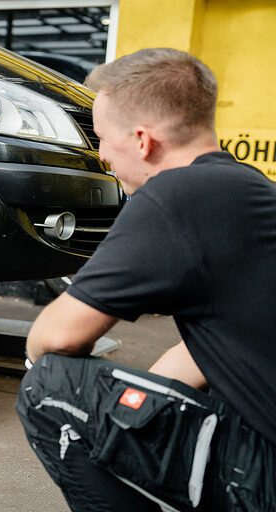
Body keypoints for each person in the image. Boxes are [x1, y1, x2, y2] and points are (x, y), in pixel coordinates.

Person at [16, 48, 276, 511]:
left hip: (261, 475)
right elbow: (212, 350)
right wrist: (143, 410)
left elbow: (51, 339)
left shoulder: (175, 195)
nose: (100, 155)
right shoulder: (250, 187)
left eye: (101, 138)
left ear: (142, 141)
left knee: (51, 388)